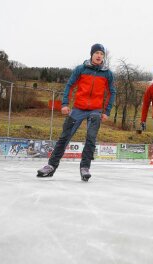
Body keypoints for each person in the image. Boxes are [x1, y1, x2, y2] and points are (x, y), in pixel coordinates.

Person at [37, 43, 116, 181]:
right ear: (91, 54)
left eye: (102, 54)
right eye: (97, 53)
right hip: (78, 108)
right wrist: (65, 103)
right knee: (64, 137)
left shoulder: (107, 73)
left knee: (91, 138)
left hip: (95, 111)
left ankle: (85, 167)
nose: (99, 56)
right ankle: (51, 166)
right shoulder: (81, 69)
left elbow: (111, 92)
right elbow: (70, 85)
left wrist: (107, 111)